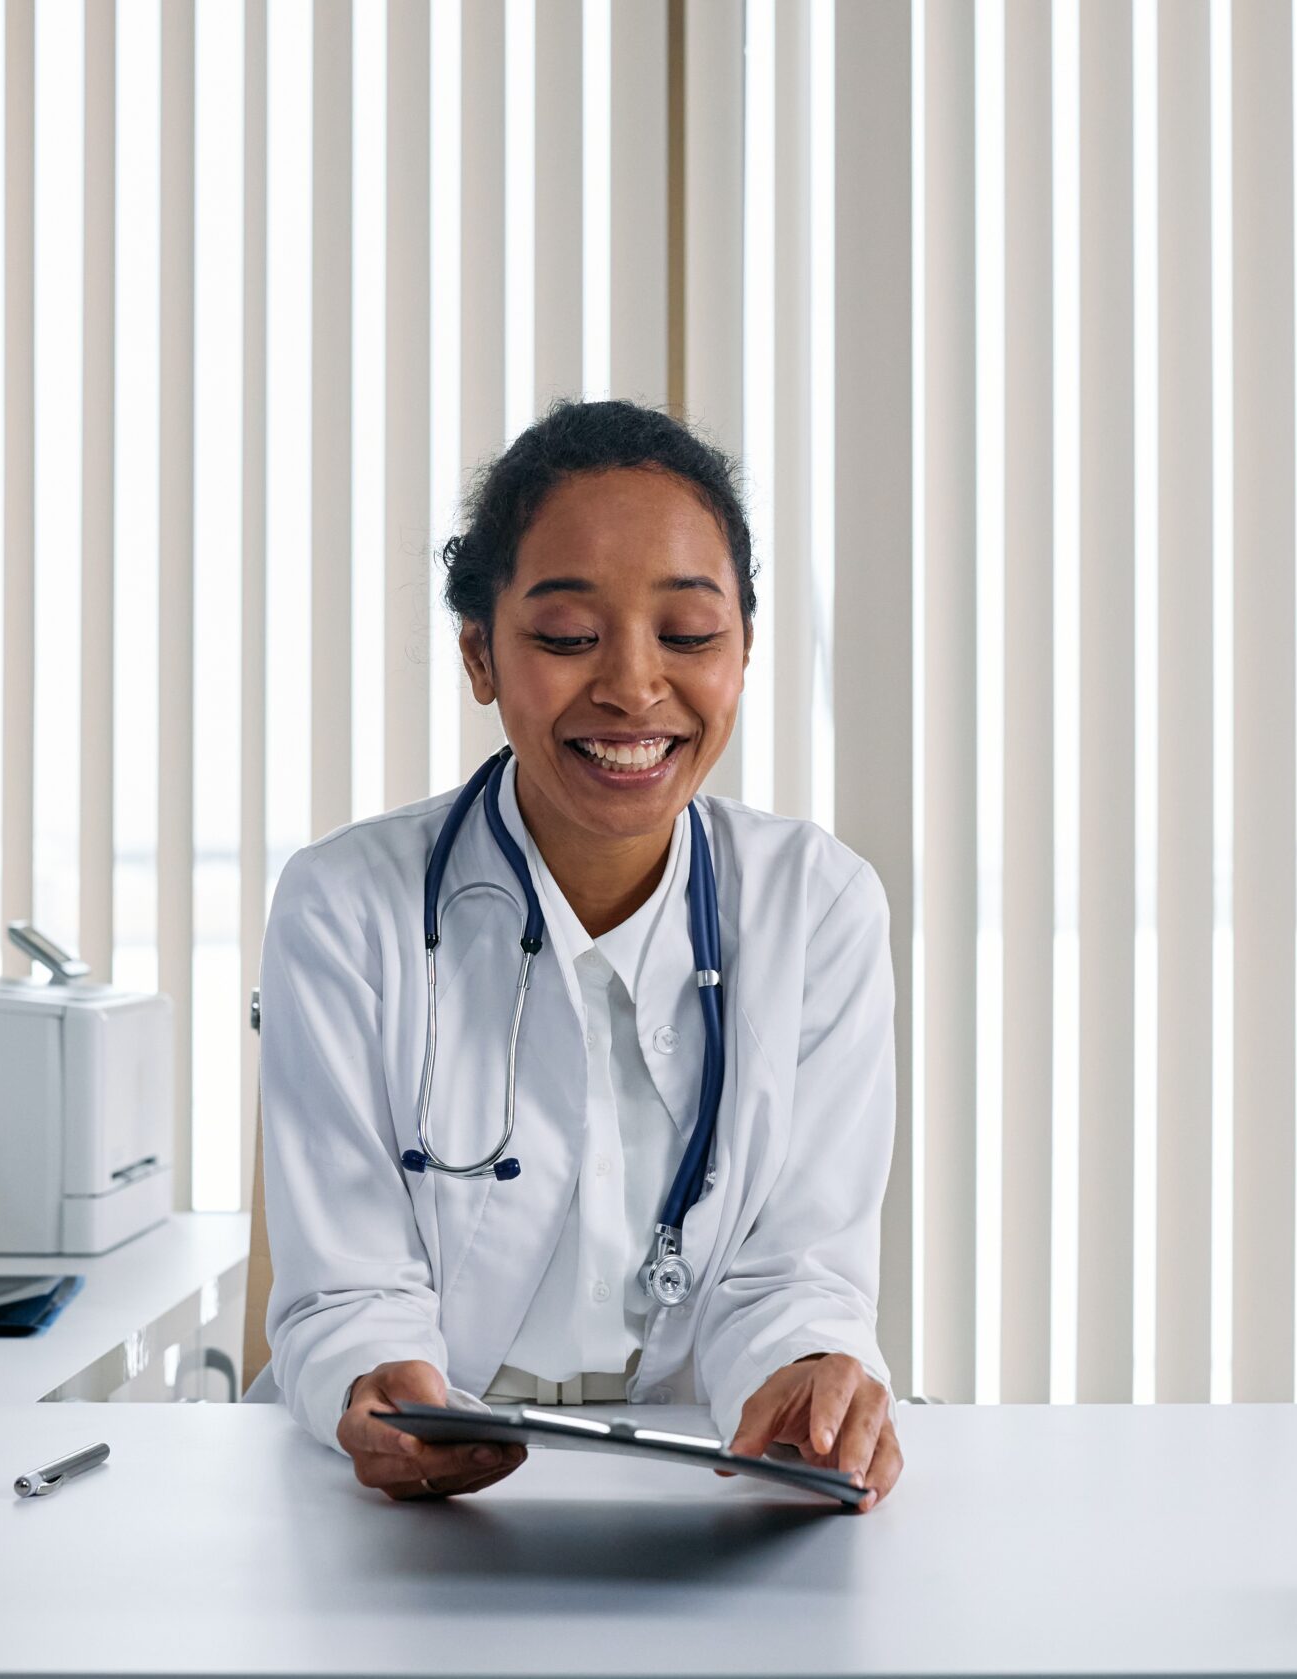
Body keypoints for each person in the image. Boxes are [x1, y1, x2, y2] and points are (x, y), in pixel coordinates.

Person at [258, 399, 903, 1508]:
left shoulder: (818, 905)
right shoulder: (344, 906)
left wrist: (808, 1375)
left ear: (743, 652)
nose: (632, 686)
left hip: (708, 1487)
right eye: (565, 638)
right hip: (408, 1511)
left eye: (690, 635)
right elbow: (346, 1287)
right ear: (480, 655)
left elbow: (796, 1270)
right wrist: (382, 1387)